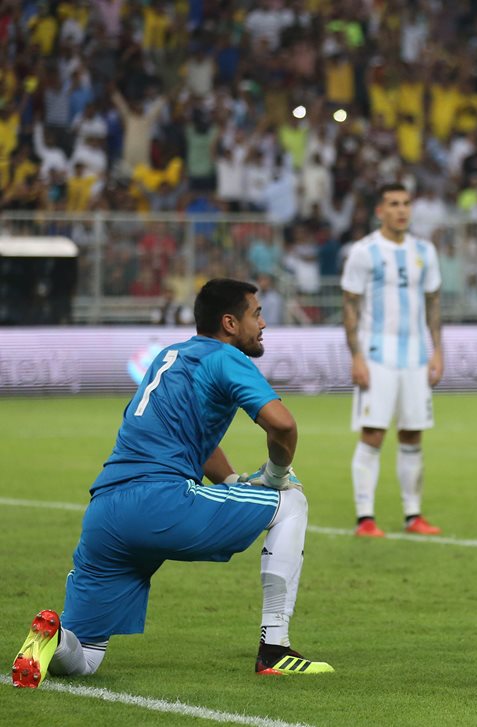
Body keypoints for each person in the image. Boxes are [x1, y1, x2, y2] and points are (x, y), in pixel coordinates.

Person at [11, 278, 333, 688]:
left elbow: (182, 435)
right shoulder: (225, 358)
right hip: (159, 500)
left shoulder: (168, 357)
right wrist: (274, 477)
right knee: (290, 504)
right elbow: (283, 426)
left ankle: (52, 638)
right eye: (257, 314)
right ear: (230, 323)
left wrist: (232, 480)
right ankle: (276, 650)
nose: (264, 323)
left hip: (105, 512)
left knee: (85, 655)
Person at [341, 183, 444, 537]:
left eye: (405, 204)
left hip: (415, 356)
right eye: (393, 204)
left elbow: (433, 302)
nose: (401, 210)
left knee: (413, 434)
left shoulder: (424, 251)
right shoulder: (364, 251)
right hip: (376, 355)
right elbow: (350, 306)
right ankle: (364, 517)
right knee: (373, 433)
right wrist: (356, 356)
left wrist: (438, 350)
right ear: (379, 211)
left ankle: (413, 515)